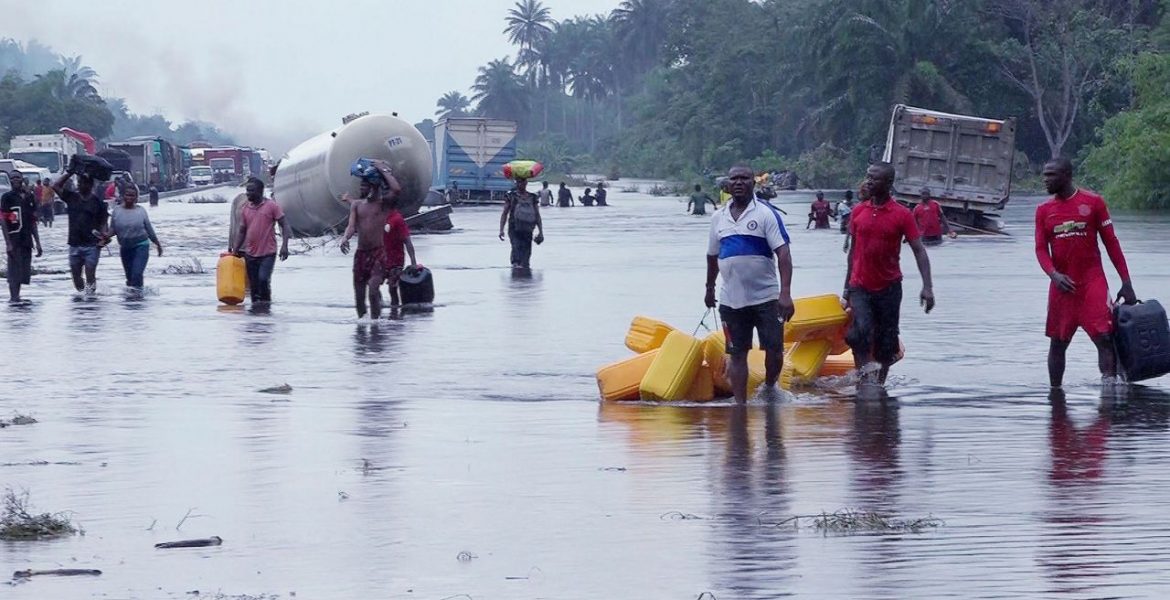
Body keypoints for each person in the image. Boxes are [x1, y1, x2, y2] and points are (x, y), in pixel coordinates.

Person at [1035, 157, 1137, 388]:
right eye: (1044, 175)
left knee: (1104, 339)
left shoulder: (1094, 203)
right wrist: (1053, 274)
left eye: (1051, 175)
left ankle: (1109, 394)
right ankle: (1055, 396)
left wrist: (1126, 281)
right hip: (1062, 287)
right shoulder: (1043, 210)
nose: (1045, 180)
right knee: (1058, 344)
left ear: (1067, 176)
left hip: (1092, 283)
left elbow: (1112, 243)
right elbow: (1041, 249)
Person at [704, 165, 795, 403]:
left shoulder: (765, 214)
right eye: (734, 178)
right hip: (730, 300)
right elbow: (712, 256)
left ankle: (770, 387)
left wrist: (785, 293)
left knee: (774, 350)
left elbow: (783, 254)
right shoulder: (718, 218)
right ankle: (740, 405)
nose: (738, 183)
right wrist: (709, 288)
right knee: (736, 353)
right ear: (727, 184)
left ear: (753, 183)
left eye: (744, 178)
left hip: (766, 298)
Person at [843, 162, 935, 387]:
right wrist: (846, 288)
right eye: (868, 177)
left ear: (889, 184)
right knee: (860, 332)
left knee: (886, 340)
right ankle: (864, 379)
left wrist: (927, 287)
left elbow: (919, 250)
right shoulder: (858, 211)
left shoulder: (902, 214)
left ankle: (879, 384)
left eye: (875, 178)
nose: (869, 182)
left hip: (889, 287)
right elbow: (853, 252)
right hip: (860, 285)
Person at [339, 161, 402, 319]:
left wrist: (383, 170)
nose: (361, 189)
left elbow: (396, 189)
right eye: (361, 185)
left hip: (378, 254)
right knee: (359, 297)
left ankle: (376, 324)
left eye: (365, 185)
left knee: (373, 290)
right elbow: (351, 226)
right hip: (361, 254)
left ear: (374, 186)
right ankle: (363, 324)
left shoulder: (383, 205)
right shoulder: (357, 206)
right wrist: (345, 238)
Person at [232, 177, 290, 304]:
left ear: (260, 191)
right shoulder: (245, 209)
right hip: (250, 253)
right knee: (254, 286)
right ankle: (257, 316)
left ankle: (266, 309)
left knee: (263, 280)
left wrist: (285, 246)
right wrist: (235, 250)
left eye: (251, 191)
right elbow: (242, 231)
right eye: (247, 190)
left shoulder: (271, 206)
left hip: (268, 253)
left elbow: (285, 225)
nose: (248, 193)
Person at [51, 166, 109, 294]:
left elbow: (103, 222)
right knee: (76, 278)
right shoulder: (72, 197)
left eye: (82, 183)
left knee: (90, 274)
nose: (79, 185)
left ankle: (90, 300)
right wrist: (70, 172)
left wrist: (104, 235)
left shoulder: (98, 203)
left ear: (90, 185)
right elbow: (55, 186)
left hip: (92, 245)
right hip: (74, 243)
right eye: (78, 182)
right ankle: (82, 298)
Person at [106, 186, 162, 289]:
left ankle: (138, 299)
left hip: (141, 246)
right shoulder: (117, 211)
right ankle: (134, 300)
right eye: (127, 195)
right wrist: (105, 237)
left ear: (136, 198)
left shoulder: (141, 211)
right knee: (130, 278)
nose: (129, 198)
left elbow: (149, 229)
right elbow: (113, 229)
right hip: (125, 248)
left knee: (137, 274)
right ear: (123, 196)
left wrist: (157, 243)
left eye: (132, 195)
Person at [0, 172, 42, 302]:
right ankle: (14, 298)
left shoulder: (29, 198)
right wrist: (8, 243)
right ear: (10, 181)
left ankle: (17, 299)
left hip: (26, 240)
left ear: (22, 179)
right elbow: (3, 221)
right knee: (14, 272)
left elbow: (33, 221)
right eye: (12, 178)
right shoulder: (7, 198)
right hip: (14, 239)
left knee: (23, 272)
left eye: (17, 177)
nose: (15, 180)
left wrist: (38, 242)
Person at [382, 189, 418, 307]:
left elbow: (407, 241)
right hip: (382, 260)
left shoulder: (397, 219)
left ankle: (395, 313)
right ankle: (380, 305)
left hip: (395, 261)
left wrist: (413, 262)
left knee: (392, 288)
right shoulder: (383, 218)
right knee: (372, 283)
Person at [498, 177, 544, 269]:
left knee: (526, 254)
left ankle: (522, 275)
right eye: (518, 182)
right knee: (516, 249)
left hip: (528, 228)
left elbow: (537, 215)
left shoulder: (532, 197)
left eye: (522, 182)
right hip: (514, 228)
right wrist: (501, 230)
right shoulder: (511, 196)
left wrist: (541, 232)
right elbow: (505, 213)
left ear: (526, 183)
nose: (520, 184)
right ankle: (518, 275)